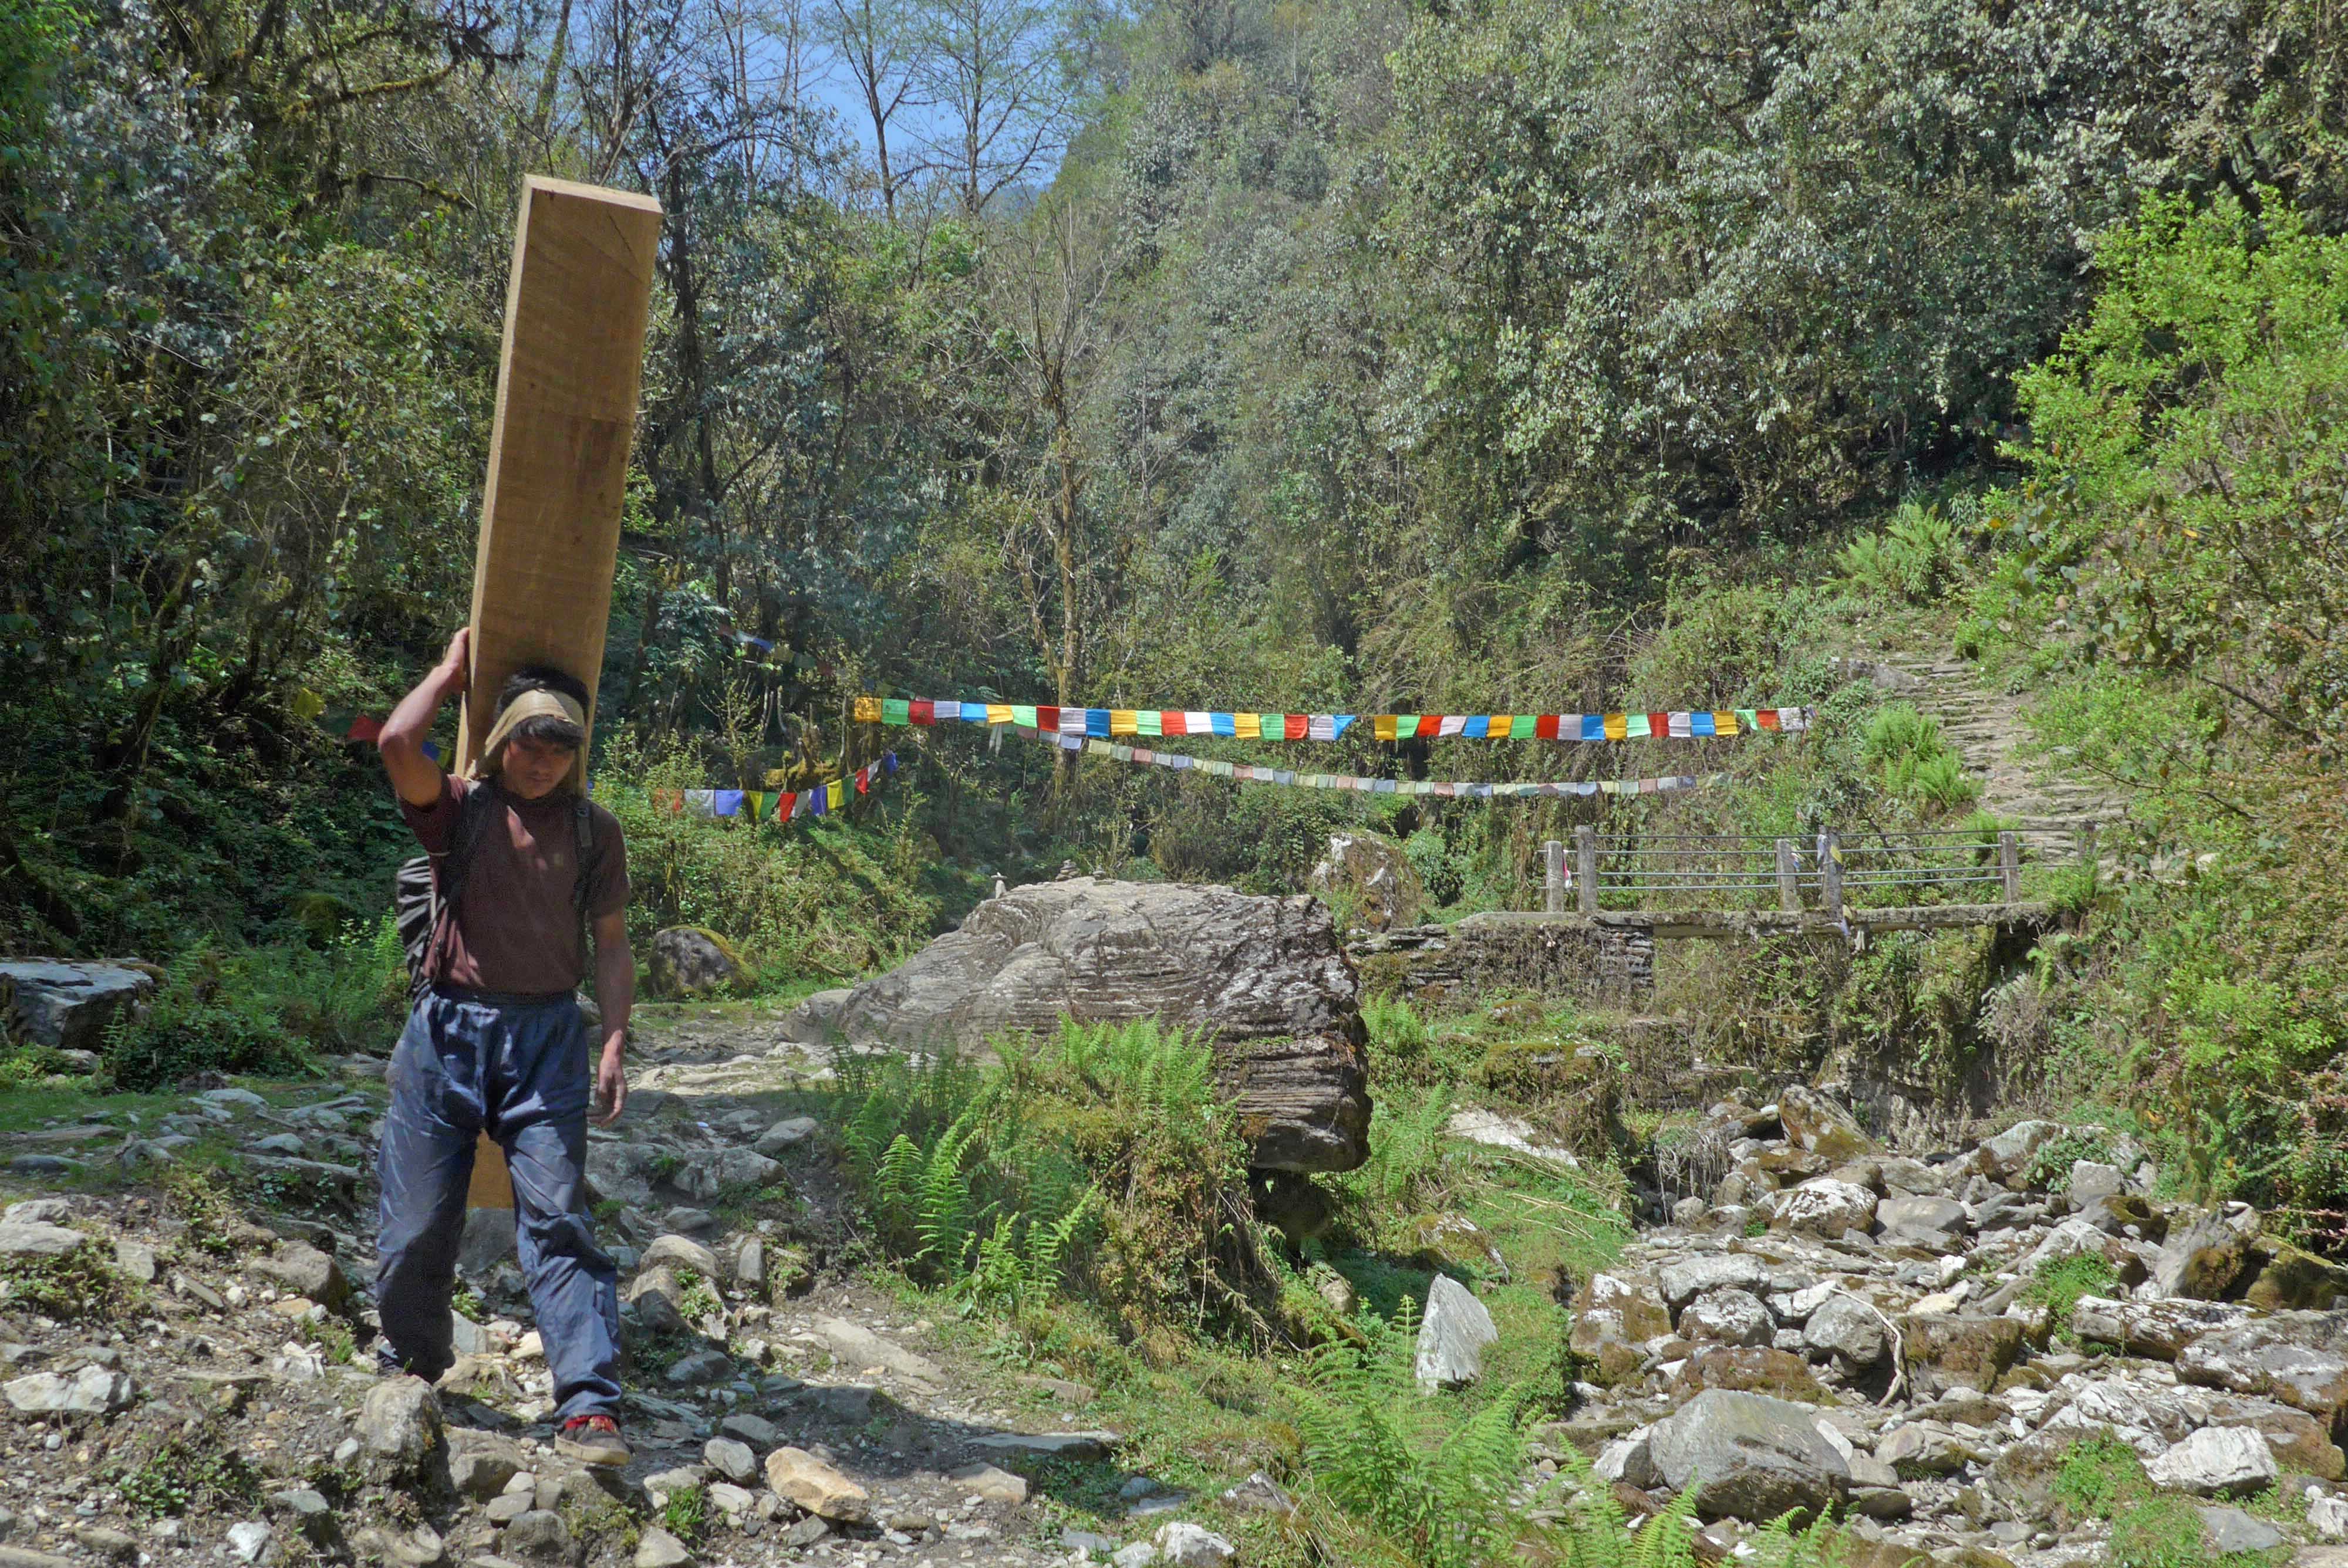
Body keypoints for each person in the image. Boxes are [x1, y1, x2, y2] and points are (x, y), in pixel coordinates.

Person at [374, 627, 636, 1468]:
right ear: (501, 740)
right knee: (416, 1225)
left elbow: (613, 946)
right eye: (530, 741)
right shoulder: (462, 811)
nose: (544, 760)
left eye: (561, 746)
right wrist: (447, 675)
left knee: (558, 1222)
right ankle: (413, 1360)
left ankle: (589, 1404)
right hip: (446, 1033)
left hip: (548, 1040)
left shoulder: (595, 832)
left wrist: (614, 1041)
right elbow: (395, 743)